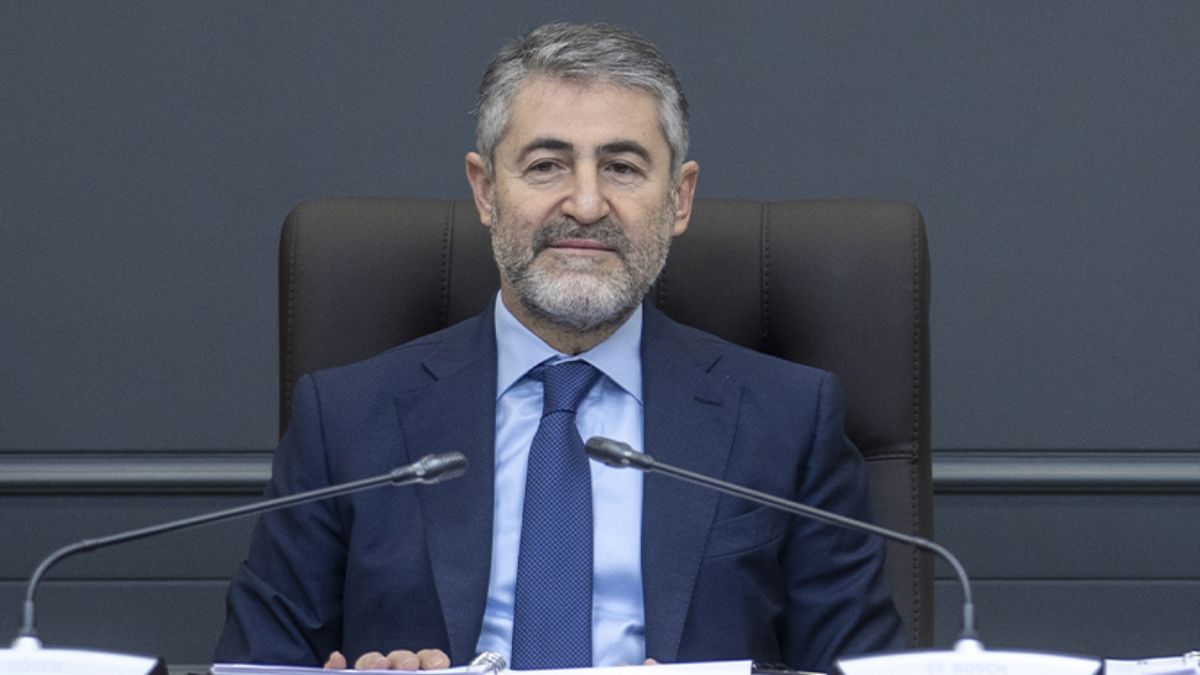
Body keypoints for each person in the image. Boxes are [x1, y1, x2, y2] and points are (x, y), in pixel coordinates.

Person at [215, 22, 903, 672]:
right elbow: (257, 663)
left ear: (679, 198)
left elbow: (861, 668)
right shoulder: (345, 420)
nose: (585, 204)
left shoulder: (787, 421)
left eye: (623, 167)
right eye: (547, 165)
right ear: (486, 191)